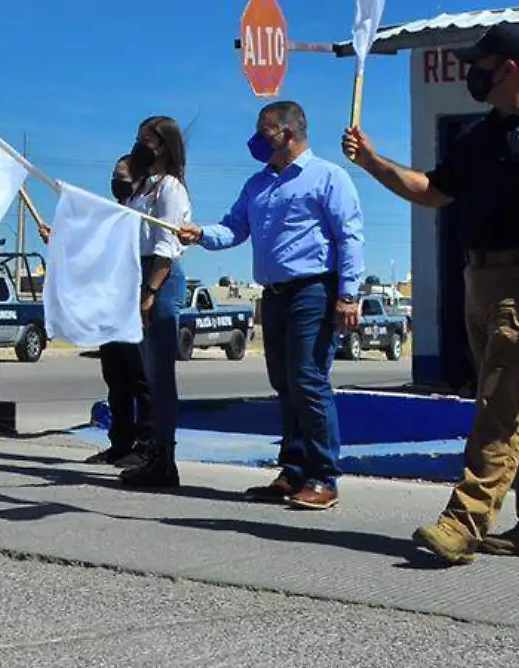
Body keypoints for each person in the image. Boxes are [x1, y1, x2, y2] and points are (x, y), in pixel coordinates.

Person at [343, 23, 519, 565]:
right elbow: (434, 191)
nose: (473, 71)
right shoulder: (480, 137)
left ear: (508, 67)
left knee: (500, 401)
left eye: (480, 63)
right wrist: (373, 162)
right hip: (480, 279)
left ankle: (464, 522)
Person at [178, 101, 364, 511]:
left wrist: (349, 295)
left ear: (289, 134)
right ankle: (293, 469)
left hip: (314, 291)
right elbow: (233, 228)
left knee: (308, 380)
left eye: (265, 132)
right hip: (274, 295)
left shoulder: (328, 177)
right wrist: (200, 234)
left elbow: (349, 238)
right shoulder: (257, 185)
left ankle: (323, 476)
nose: (257, 139)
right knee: (284, 383)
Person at [37, 158, 153, 467]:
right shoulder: (108, 211)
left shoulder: (142, 210)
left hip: (133, 300)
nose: (116, 181)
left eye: (122, 177)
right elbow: (91, 251)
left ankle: (147, 446)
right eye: (114, 176)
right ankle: (120, 443)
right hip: (110, 304)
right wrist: (60, 240)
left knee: (141, 377)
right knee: (116, 378)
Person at [119, 117, 192, 490]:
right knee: (149, 371)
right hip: (140, 272)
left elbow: (166, 244)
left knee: (161, 376)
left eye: (144, 140)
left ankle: (165, 459)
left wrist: (150, 293)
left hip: (159, 277)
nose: (138, 147)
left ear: (161, 145)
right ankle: (154, 453)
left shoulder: (171, 188)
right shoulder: (144, 188)